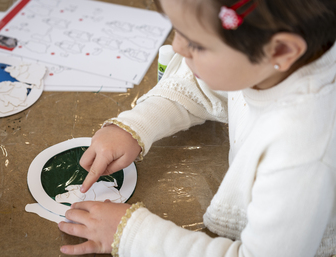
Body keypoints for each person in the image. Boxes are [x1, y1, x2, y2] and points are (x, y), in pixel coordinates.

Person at [58, 0, 336, 256]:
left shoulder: (302, 151)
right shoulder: (266, 61)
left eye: (197, 45)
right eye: (177, 31)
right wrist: (137, 124)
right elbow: (203, 85)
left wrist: (133, 233)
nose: (177, 47)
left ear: (281, 50)